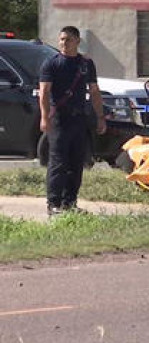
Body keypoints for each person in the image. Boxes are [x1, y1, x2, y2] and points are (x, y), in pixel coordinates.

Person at [38, 26, 107, 215]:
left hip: (79, 119)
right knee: (58, 162)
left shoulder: (85, 64)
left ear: (77, 41)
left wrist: (100, 117)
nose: (63, 43)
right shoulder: (51, 63)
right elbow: (44, 92)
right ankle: (54, 204)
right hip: (59, 119)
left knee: (76, 162)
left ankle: (70, 203)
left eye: (68, 39)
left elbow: (94, 91)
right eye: (61, 39)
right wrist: (45, 118)